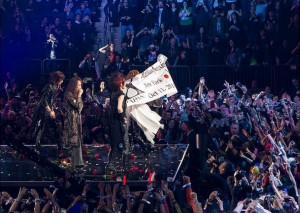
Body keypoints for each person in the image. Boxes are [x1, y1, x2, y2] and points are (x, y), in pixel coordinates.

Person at [28, 71, 65, 152]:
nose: (62, 81)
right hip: (43, 110)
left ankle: (60, 146)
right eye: (61, 79)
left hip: (49, 110)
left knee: (55, 126)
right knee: (41, 127)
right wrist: (50, 111)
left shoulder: (55, 88)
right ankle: (36, 147)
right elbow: (44, 100)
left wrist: (53, 109)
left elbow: (52, 100)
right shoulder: (49, 87)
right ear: (57, 79)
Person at [107, 72, 129, 168]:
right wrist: (124, 118)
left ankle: (111, 164)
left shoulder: (112, 93)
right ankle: (125, 165)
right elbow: (119, 108)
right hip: (118, 121)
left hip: (112, 120)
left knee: (114, 144)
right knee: (124, 143)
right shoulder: (121, 94)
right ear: (121, 83)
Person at [62, 76, 85, 168]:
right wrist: (79, 96)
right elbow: (76, 106)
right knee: (74, 141)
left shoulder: (76, 96)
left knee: (78, 140)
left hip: (77, 119)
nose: (80, 87)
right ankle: (75, 162)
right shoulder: (68, 95)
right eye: (78, 85)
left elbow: (80, 107)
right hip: (71, 120)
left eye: (80, 85)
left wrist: (79, 97)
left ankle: (77, 162)